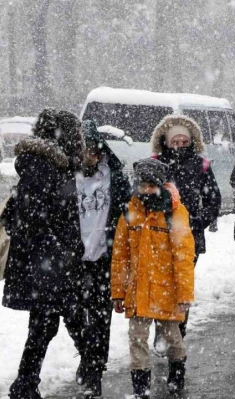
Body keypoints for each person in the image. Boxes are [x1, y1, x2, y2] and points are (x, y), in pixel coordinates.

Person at [3, 109, 86, 399]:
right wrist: (58, 251)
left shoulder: (50, 163)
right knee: (63, 319)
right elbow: (29, 216)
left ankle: (26, 384)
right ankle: (89, 367)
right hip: (47, 265)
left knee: (50, 322)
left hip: (48, 263)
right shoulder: (43, 165)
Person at [111, 158, 195, 398]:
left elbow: (183, 257)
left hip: (166, 290)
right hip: (137, 290)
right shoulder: (130, 212)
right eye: (142, 185)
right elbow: (120, 255)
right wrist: (118, 291)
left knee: (173, 337)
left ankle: (176, 376)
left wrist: (184, 295)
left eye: (151, 185)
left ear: (160, 184)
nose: (146, 190)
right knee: (136, 338)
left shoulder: (175, 212)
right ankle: (140, 388)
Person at [74, 120, 132, 397]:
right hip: (73, 260)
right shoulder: (66, 177)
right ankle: (87, 357)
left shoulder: (115, 177)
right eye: (83, 151)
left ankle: (94, 370)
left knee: (100, 317)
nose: (89, 157)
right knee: (75, 316)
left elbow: (128, 214)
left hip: (104, 258)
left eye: (93, 151)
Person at [151, 115, 221, 339]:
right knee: (161, 283)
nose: (179, 146)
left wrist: (197, 222)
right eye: (175, 142)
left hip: (189, 237)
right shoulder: (155, 164)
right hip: (159, 235)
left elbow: (213, 199)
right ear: (166, 141)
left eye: (184, 141)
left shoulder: (201, 166)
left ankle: (178, 330)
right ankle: (161, 330)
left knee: (182, 283)